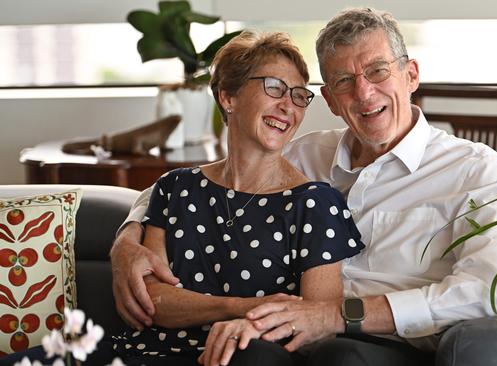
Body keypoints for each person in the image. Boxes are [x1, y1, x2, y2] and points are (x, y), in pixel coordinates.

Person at [111, 7, 497, 366]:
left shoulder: (471, 168)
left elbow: (486, 288)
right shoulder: (307, 155)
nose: (364, 93)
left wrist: (339, 314)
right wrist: (126, 238)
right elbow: (208, 183)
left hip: (398, 343)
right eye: (344, 81)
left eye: (378, 70)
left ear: (411, 74)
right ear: (329, 99)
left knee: (338, 357)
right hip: (300, 336)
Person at [2, 31, 364, 366]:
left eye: (299, 95)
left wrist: (224, 316)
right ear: (228, 96)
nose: (289, 106)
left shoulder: (317, 204)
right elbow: (153, 303)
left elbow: (316, 322)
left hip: (236, 357)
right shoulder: (176, 188)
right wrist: (246, 306)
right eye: (275, 88)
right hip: (139, 350)